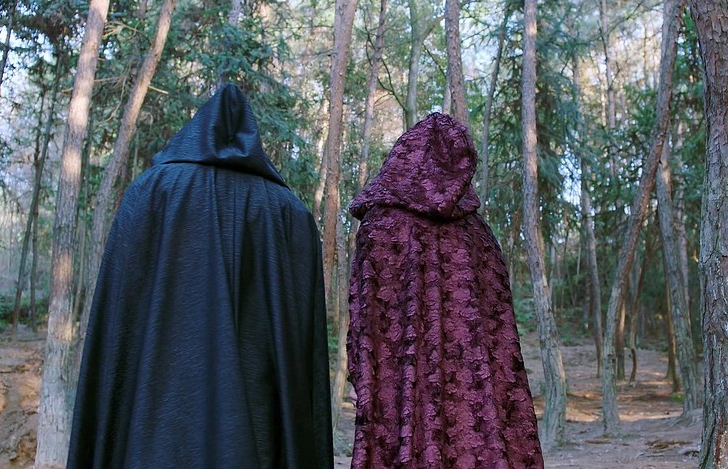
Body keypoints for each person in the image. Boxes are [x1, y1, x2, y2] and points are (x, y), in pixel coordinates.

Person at [68, 84, 333, 469]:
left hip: (154, 435)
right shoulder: (290, 214)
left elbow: (117, 334)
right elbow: (302, 362)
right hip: (259, 436)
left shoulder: (149, 193)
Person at [347, 113, 544, 468]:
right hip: (473, 411)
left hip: (398, 401)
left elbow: (363, 330)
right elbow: (503, 351)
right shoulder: (480, 238)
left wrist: (362, 378)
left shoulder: (379, 227)